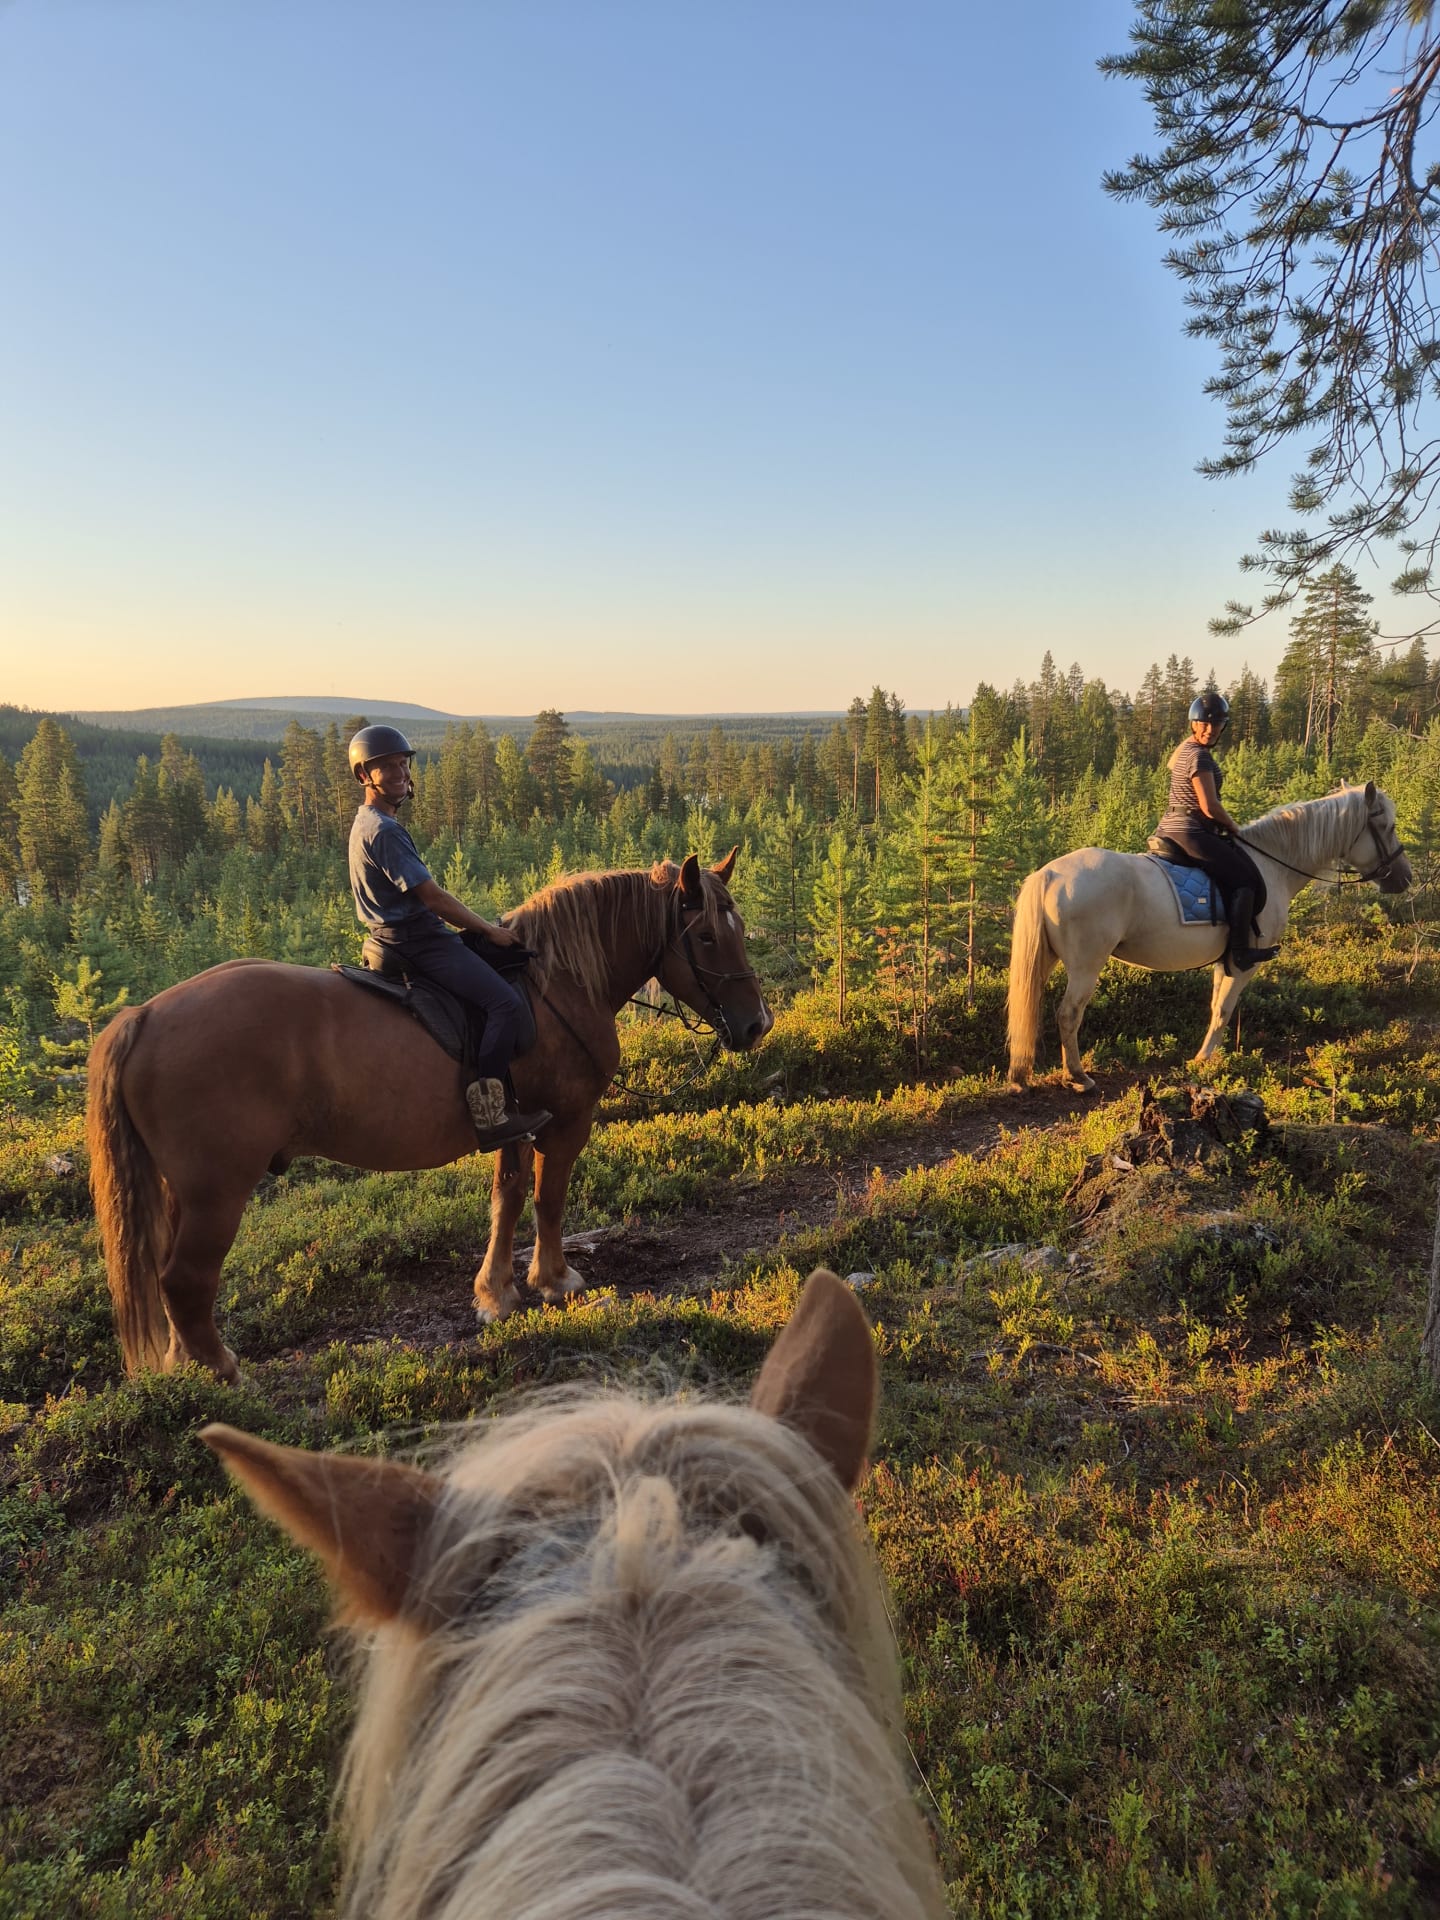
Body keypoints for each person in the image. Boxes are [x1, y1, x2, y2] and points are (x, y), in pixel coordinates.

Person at [346, 725, 551, 1148]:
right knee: (504, 1003)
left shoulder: (369, 821)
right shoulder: (383, 830)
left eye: (404, 763)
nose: (401, 772)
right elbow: (433, 898)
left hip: (399, 936)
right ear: (365, 775)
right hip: (417, 941)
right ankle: (491, 1115)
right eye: (388, 766)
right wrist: (488, 930)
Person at [1154, 692, 1279, 971]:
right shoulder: (1200, 757)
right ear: (1193, 724)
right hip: (1191, 831)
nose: (1210, 730)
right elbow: (1209, 806)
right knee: (1245, 879)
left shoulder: (1186, 749)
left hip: (1170, 826)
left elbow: (1171, 764)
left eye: (1217, 724)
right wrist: (1234, 828)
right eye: (1204, 724)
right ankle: (1240, 951)